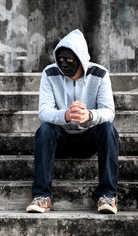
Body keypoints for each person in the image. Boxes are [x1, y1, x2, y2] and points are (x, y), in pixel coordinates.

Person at [26, 29, 119, 214]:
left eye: (69, 61)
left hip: (88, 139)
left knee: (108, 128)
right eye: (61, 60)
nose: (64, 64)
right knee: (45, 129)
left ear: (81, 59)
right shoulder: (49, 73)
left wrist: (89, 116)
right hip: (60, 140)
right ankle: (42, 196)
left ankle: (107, 195)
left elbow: (109, 111)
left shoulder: (99, 74)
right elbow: (44, 112)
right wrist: (66, 115)